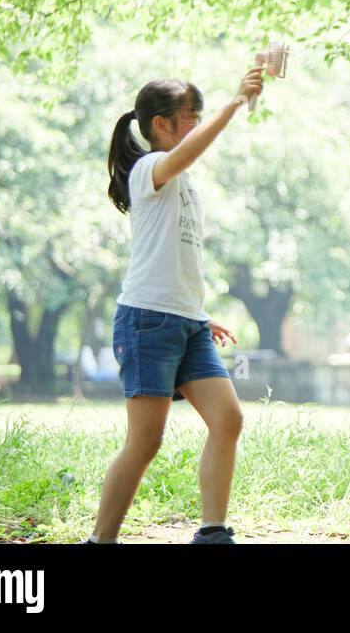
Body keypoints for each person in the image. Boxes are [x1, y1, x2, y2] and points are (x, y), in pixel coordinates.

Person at [82, 66, 264, 544]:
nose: (196, 125)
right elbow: (188, 153)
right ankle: (100, 540)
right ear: (161, 124)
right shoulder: (148, 170)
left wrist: (201, 314)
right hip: (147, 322)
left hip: (187, 324)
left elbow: (174, 257)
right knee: (145, 442)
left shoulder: (183, 182)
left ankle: (212, 531)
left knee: (228, 419)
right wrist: (234, 104)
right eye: (191, 117)